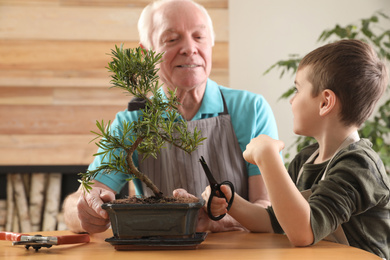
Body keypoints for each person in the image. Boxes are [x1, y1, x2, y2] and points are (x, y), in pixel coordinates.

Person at [63, 0, 279, 234]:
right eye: (172, 39)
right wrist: (83, 210)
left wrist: (217, 221)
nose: (189, 48)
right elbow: (81, 198)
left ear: (211, 43)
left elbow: (268, 207)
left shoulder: (251, 109)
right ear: (147, 53)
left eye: (199, 37)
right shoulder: (132, 121)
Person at [204, 39, 390, 259]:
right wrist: (232, 201)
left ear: (325, 102)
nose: (292, 100)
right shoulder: (305, 160)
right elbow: (276, 221)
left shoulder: (360, 165)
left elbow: (304, 231)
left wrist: (268, 157)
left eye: (298, 89)